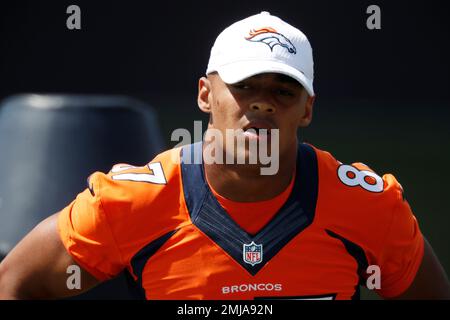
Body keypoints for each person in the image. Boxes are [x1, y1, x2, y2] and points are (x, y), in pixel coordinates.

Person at [0, 11, 449, 300]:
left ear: (307, 108)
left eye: (282, 91)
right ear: (204, 94)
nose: (262, 103)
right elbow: (15, 284)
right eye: (245, 86)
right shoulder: (130, 203)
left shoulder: (367, 206)